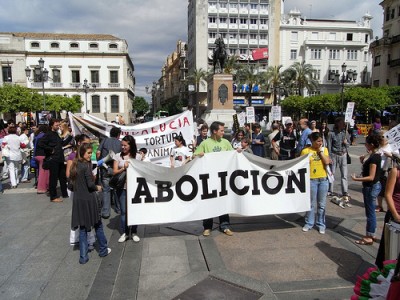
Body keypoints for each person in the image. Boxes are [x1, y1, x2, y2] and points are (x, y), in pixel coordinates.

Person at [70, 143, 111, 264]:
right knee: (97, 224)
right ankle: (103, 249)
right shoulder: (85, 166)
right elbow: (90, 185)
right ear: (82, 153)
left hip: (78, 200)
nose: (90, 155)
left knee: (83, 228)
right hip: (89, 199)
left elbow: (70, 185)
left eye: (91, 152)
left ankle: (83, 257)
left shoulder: (75, 165)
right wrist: (97, 187)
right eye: (88, 153)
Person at [194, 121, 236, 237]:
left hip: (223, 179)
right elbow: (194, 156)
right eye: (221, 130)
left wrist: (237, 152)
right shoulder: (205, 143)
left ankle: (225, 226)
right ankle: (207, 227)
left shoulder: (226, 143)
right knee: (208, 202)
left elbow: (232, 156)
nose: (223, 132)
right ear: (215, 131)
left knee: (223, 202)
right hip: (209, 179)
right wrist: (199, 155)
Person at [351, 134, 382, 245]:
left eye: (367, 143)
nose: (365, 145)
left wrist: (356, 179)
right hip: (371, 186)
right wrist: (363, 160)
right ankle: (370, 233)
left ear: (372, 145)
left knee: (370, 213)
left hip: (370, 187)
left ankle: (370, 235)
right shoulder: (373, 155)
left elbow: (371, 177)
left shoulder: (374, 157)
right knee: (370, 212)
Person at [66, 134, 95, 248]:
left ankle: (89, 238)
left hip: (86, 188)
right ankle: (75, 238)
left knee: (86, 214)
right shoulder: (73, 156)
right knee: (79, 213)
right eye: (84, 143)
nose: (87, 146)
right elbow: (68, 174)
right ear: (79, 143)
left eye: (88, 144)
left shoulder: (87, 156)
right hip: (77, 188)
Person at [301, 132, 330, 234]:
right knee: (311, 203)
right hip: (311, 180)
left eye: (321, 141)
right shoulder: (305, 151)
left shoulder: (324, 149)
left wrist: (320, 151)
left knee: (321, 204)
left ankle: (321, 224)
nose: (320, 143)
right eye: (318, 141)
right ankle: (309, 223)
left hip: (323, 179)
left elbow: (327, 161)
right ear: (312, 141)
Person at [113, 135, 140, 243]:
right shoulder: (117, 156)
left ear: (131, 145)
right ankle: (124, 232)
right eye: (122, 145)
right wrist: (123, 168)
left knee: (135, 211)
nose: (123, 147)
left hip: (135, 188)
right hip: (122, 188)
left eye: (125, 145)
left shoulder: (137, 156)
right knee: (124, 211)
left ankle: (134, 232)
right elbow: (114, 171)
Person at [376, 164, 400, 269]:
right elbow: (388, 194)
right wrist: (396, 215)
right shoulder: (395, 171)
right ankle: (385, 274)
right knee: (389, 249)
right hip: (395, 214)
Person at [38, 119, 68, 202]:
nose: (58, 126)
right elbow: (40, 143)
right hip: (53, 159)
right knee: (53, 178)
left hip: (59, 158)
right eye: (56, 125)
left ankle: (64, 193)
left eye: (58, 125)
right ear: (51, 125)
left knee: (62, 177)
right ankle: (53, 196)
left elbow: (61, 143)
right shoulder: (48, 134)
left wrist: (71, 137)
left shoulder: (56, 134)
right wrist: (50, 149)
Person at [96, 127, 122, 219]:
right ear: (118, 135)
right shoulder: (120, 143)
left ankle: (105, 212)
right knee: (116, 188)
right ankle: (119, 209)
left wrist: (99, 161)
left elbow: (98, 153)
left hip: (105, 168)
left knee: (106, 190)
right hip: (115, 169)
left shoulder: (104, 141)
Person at [327, 117, 350, 198]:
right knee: (332, 172)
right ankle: (330, 190)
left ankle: (345, 191)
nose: (342, 125)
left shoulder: (345, 133)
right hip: (334, 154)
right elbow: (329, 146)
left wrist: (346, 143)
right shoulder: (331, 134)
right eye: (340, 124)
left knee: (344, 174)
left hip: (343, 154)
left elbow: (348, 145)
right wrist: (329, 157)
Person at [34, 125, 49, 194]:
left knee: (41, 171)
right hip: (43, 155)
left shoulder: (37, 136)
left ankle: (45, 186)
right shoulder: (45, 136)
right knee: (44, 172)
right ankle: (42, 188)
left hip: (37, 155)